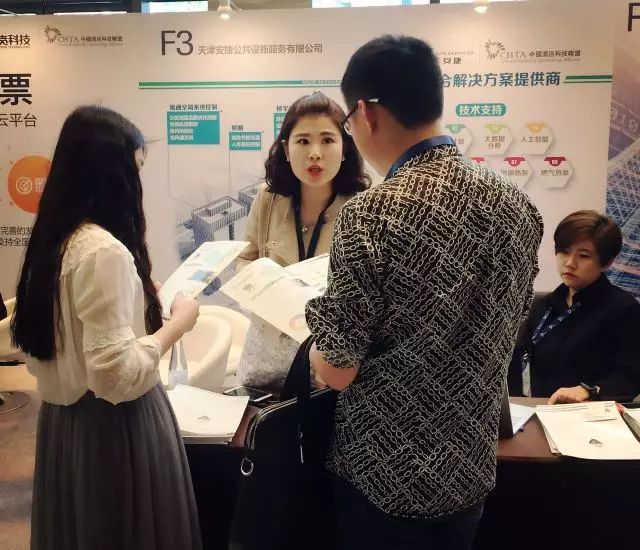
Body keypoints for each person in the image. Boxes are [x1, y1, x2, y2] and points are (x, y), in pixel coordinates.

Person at [305, 35, 544, 550]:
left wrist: (315, 348)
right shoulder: (517, 206)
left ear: (366, 113)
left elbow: (338, 370)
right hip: (468, 468)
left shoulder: (371, 214)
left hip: (382, 473)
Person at [11, 106, 203, 550]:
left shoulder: (56, 241)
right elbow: (114, 374)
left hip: (65, 427)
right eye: (134, 170)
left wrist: (136, 295)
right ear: (111, 176)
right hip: (114, 430)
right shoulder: (103, 252)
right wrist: (179, 323)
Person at [235, 92, 369, 388]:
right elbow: (246, 258)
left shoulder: (362, 209)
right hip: (270, 359)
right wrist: (264, 287)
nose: (315, 153)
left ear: (345, 148)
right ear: (286, 149)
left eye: (327, 140)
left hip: (329, 361)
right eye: (303, 141)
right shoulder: (268, 198)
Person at [508, 210, 640, 404]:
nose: (570, 263)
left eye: (583, 256)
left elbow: (629, 378)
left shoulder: (624, 309)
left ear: (606, 263)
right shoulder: (544, 305)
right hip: (533, 409)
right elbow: (516, 360)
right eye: (564, 251)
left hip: (586, 414)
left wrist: (587, 391)